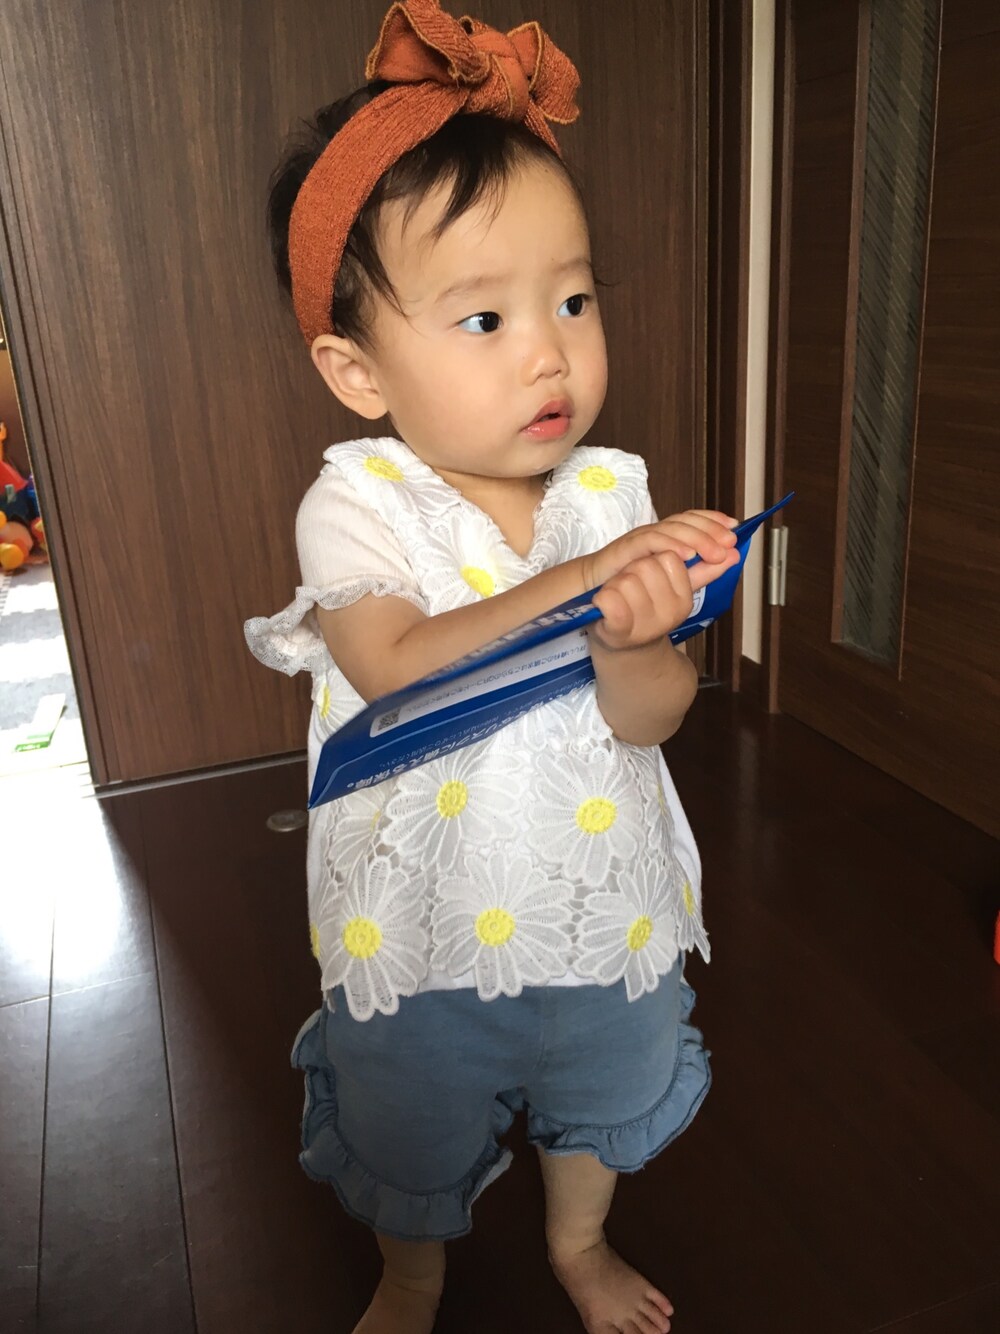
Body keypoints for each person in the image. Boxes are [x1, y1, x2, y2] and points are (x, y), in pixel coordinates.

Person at [246, 4, 740, 1331]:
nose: (548, 350)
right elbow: (395, 665)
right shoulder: (359, 503)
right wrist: (589, 583)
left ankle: (578, 1243)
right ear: (357, 370)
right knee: (412, 1115)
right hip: (421, 922)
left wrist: (636, 640)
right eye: (483, 317)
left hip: (600, 900)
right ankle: (413, 1272)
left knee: (601, 1080)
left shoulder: (610, 492)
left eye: (573, 299)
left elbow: (651, 720)